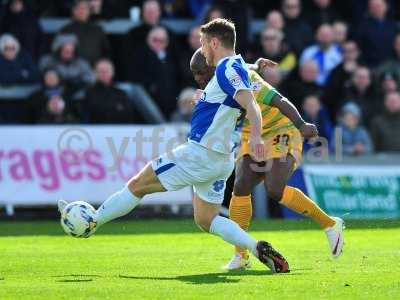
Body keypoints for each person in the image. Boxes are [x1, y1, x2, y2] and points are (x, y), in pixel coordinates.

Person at [59, 18, 291, 273]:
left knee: (138, 184)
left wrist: (256, 136)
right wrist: (256, 64)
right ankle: (257, 248)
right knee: (206, 219)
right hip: (221, 160)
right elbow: (241, 76)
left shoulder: (225, 69)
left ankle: (93, 222)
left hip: (199, 154)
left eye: (203, 43)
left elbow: (252, 106)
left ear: (215, 42)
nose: (202, 49)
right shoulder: (236, 66)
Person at [189, 50, 344, 271]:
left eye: (200, 72)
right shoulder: (219, 81)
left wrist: (301, 125)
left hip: (282, 129)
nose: (198, 78)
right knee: (240, 187)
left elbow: (280, 100)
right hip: (251, 133)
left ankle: (330, 224)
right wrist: (255, 64)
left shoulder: (248, 80)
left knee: (274, 189)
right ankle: (240, 255)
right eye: (195, 74)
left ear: (213, 66)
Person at [131, 26, 180, 119]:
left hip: (170, 103)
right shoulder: (139, 56)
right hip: (148, 103)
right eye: (155, 40)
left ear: (167, 42)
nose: (158, 43)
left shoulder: (172, 57)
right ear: (148, 40)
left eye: (162, 40)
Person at [84, 59, 137, 123]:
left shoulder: (121, 93)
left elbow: (128, 113)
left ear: (112, 72)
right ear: (95, 73)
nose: (104, 73)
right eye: (101, 71)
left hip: (120, 129)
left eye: (106, 71)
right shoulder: (89, 92)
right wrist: (116, 108)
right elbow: (96, 112)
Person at [60, 0, 111, 65]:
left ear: (89, 11)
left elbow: (106, 51)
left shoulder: (98, 30)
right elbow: (59, 52)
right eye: (78, 8)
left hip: (94, 69)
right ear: (73, 11)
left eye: (84, 9)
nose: (81, 11)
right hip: (71, 69)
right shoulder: (66, 30)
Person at [356, 0, 397, 67]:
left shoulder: (394, 25)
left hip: (391, 67)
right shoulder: (363, 26)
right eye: (373, 6)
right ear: (369, 8)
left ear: (386, 6)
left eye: (379, 6)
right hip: (371, 66)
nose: (377, 8)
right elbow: (360, 47)